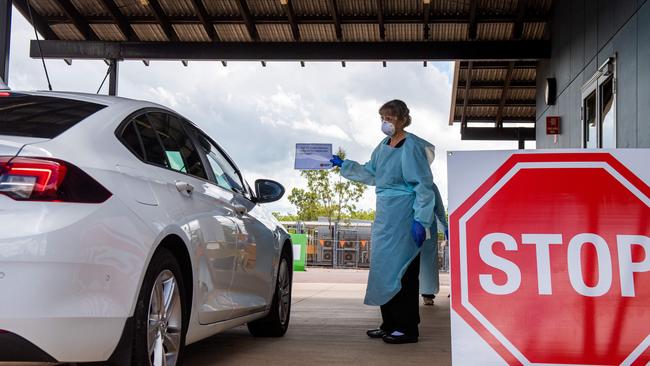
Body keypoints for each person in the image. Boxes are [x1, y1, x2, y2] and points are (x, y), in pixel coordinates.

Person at [330, 99, 439, 344]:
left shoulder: (410, 146)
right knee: (383, 269)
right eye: (382, 118)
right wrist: (343, 165)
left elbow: (423, 185)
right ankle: (389, 323)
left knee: (404, 271)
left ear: (402, 119)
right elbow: (371, 172)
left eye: (389, 118)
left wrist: (421, 219)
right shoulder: (383, 145)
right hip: (385, 215)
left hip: (404, 214)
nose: (385, 123)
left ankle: (408, 328)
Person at [419, 182, 448, 305]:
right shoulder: (400, 180)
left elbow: (439, 209)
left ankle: (427, 293)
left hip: (427, 226)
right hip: (405, 225)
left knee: (427, 262)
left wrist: (445, 228)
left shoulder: (430, 185)